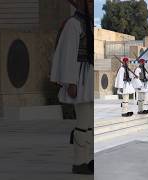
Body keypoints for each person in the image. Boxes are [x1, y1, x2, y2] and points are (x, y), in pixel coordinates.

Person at [50, 0, 93, 175]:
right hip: (79, 80)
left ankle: (88, 159)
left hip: (90, 79)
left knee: (90, 124)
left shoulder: (89, 25)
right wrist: (70, 82)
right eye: (89, 2)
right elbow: (67, 55)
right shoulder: (73, 24)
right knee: (83, 123)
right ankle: (79, 162)